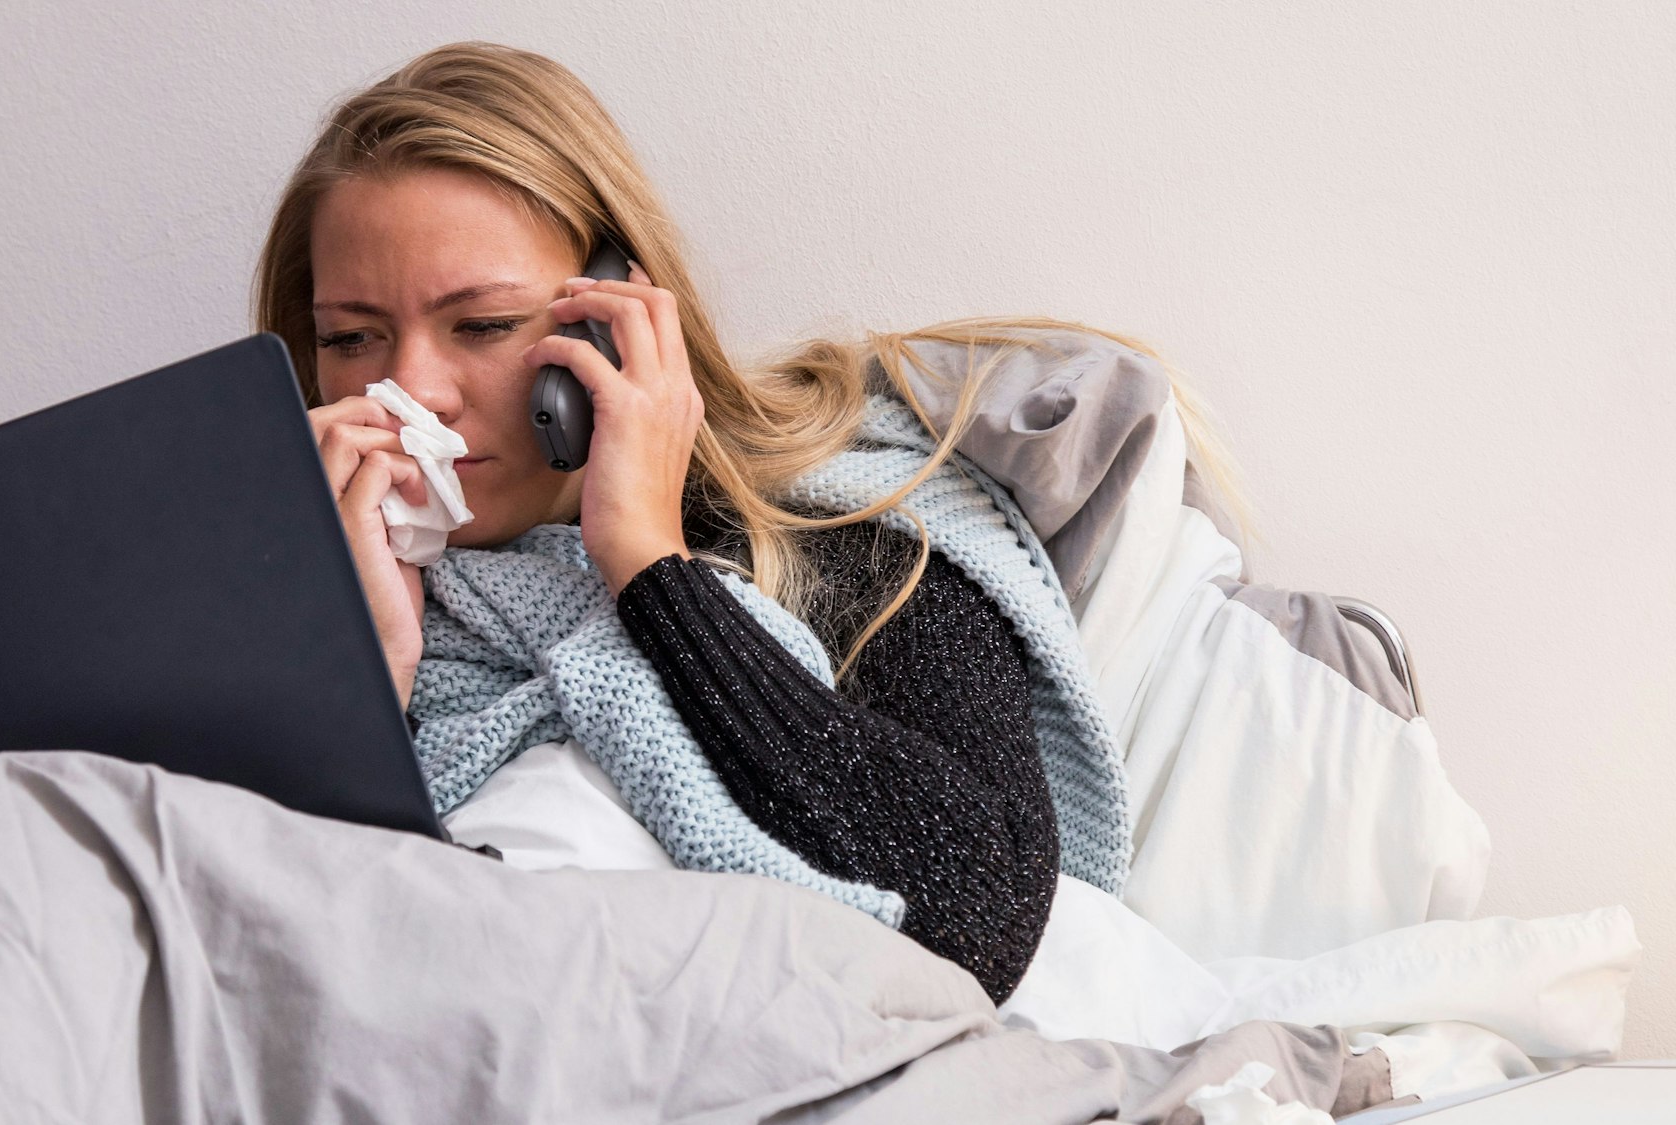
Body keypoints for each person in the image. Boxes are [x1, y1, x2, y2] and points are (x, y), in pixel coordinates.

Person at [252, 41, 1251, 1005]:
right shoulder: (263, 598)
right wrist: (363, 671)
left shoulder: (841, 533)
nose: (410, 388)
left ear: (617, 316)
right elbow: (269, 947)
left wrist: (648, 566)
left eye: (482, 326)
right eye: (351, 338)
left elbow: (981, 911)